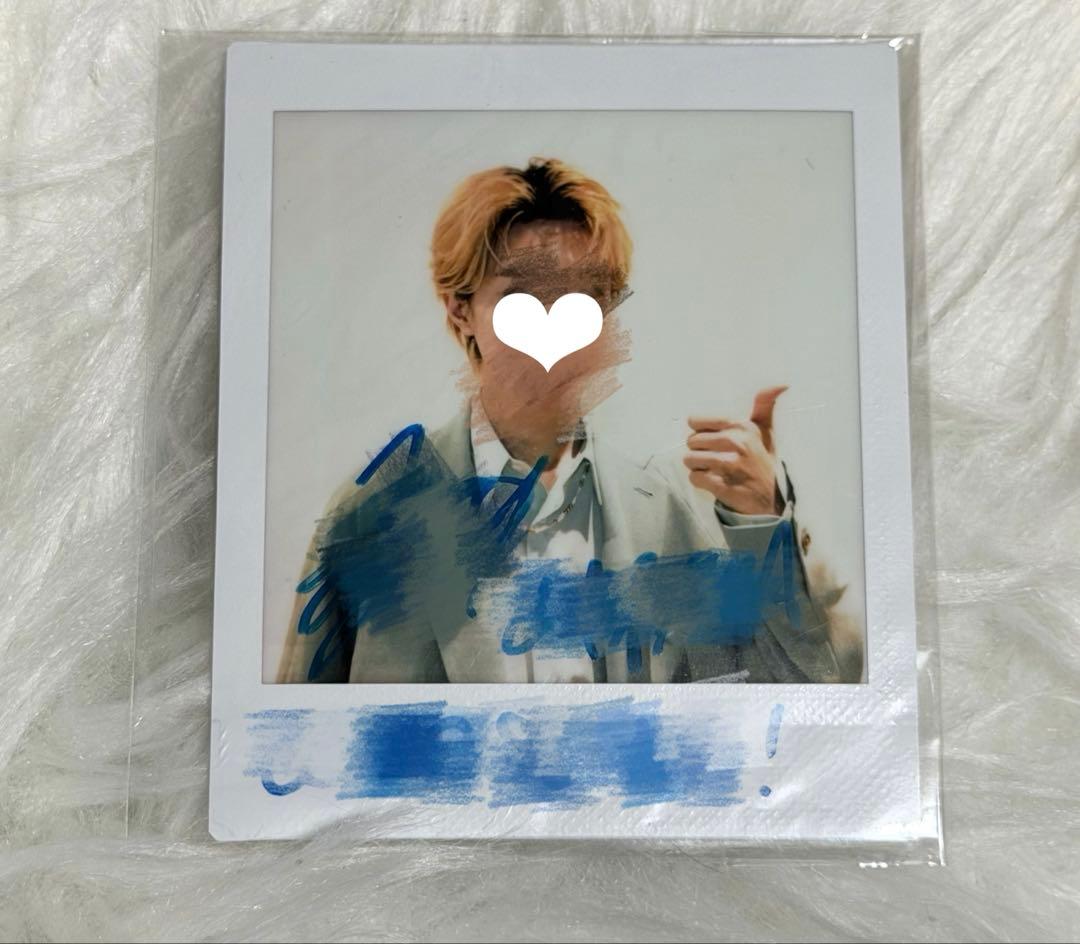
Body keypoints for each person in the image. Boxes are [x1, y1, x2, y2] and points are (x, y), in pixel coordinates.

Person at [277, 157, 842, 684]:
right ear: (460, 308)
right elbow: (296, 731)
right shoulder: (370, 514)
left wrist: (764, 525)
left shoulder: (671, 516)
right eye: (521, 299)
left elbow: (793, 703)